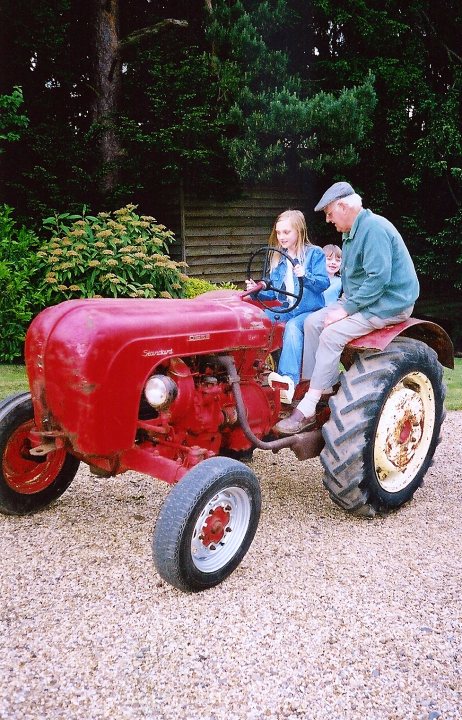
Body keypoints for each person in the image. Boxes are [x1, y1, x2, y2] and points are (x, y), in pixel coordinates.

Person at [274, 181, 420, 434]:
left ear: (343, 206)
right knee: (311, 322)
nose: (329, 220)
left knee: (332, 334)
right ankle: (322, 390)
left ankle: (308, 408)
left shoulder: (373, 229)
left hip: (388, 304)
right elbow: (354, 281)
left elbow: (378, 279)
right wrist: (344, 304)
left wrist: (346, 309)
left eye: (330, 213)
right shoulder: (351, 233)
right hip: (363, 298)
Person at [245, 209, 329, 403]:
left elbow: (323, 283)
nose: (281, 237)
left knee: (292, 328)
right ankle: (250, 374)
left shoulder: (314, 254)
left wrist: (304, 276)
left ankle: (287, 381)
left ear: (298, 231)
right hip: (288, 308)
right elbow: (274, 293)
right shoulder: (279, 258)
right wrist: (256, 290)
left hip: (310, 310)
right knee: (258, 320)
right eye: (279, 232)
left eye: (286, 232)